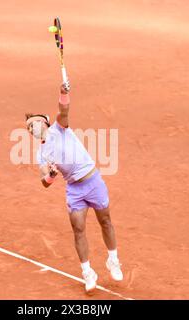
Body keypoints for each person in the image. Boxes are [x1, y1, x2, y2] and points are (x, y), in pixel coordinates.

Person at [25, 80, 123, 293]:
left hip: (93, 181)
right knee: (78, 230)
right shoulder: (41, 153)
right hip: (74, 190)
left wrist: (63, 93)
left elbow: (64, 109)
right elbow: (44, 182)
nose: (32, 129)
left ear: (45, 122)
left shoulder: (60, 128)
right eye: (29, 128)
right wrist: (50, 176)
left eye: (34, 124)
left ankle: (113, 259)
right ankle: (87, 272)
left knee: (105, 220)